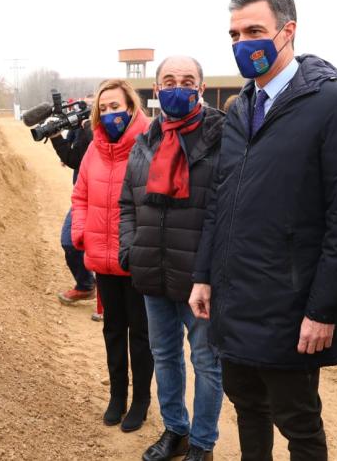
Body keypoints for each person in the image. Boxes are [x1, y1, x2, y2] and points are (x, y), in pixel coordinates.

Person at [189, 0, 337, 461]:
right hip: (235, 298)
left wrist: (324, 310)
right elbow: (221, 202)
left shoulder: (335, 104)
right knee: (247, 407)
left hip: (290, 307)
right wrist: (204, 274)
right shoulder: (241, 109)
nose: (242, 43)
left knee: (298, 421)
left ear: (287, 31)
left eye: (254, 31)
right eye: (234, 34)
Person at [119, 56, 224, 461]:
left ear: (200, 87)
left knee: (206, 362)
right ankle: (176, 430)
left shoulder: (219, 138)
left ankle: (203, 443)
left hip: (199, 278)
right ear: (156, 89)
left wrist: (211, 270)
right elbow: (128, 201)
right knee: (164, 356)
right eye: (169, 80)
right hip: (151, 270)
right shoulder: (146, 140)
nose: (177, 87)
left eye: (187, 80)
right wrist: (131, 248)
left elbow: (224, 208)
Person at [71, 79, 154, 432]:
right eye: (103, 109)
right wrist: (81, 234)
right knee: (113, 330)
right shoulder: (94, 149)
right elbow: (80, 196)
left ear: (131, 107)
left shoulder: (149, 144)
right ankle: (117, 395)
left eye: (115, 107)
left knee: (141, 334)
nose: (109, 114)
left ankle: (141, 401)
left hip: (135, 258)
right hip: (102, 258)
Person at [50, 97, 98, 315]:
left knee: (107, 251)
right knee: (69, 242)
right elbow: (74, 158)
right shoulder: (81, 128)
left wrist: (88, 124)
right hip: (83, 197)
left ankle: (109, 304)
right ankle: (86, 285)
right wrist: (55, 135)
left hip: (110, 199)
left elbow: (98, 144)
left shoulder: (105, 129)